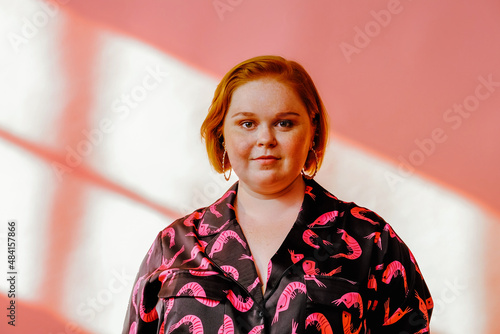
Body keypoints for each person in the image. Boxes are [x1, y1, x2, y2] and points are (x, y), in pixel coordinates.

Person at [123, 55, 433, 333]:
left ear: (311, 130)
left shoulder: (371, 241)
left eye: (284, 123)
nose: (265, 138)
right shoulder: (174, 245)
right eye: (247, 123)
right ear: (222, 135)